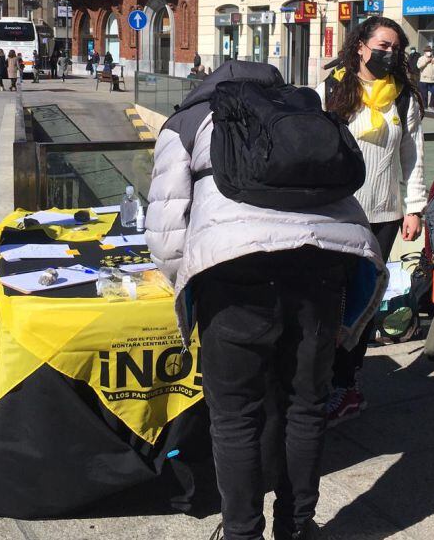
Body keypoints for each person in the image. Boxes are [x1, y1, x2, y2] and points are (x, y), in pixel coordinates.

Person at [147, 60, 388, 540]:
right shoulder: (306, 111)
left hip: (234, 275)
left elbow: (166, 233)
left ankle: (242, 533)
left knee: (235, 414)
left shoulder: (187, 121)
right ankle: (298, 527)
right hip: (323, 266)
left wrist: (190, 288)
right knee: (306, 404)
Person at [318, 16, 426, 422]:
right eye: (383, 45)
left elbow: (412, 157)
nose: (390, 53)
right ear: (360, 45)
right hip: (334, 214)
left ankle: (347, 385)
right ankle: (320, 378)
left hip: (382, 216)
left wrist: (414, 208)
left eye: (396, 47)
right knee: (330, 299)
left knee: (363, 304)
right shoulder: (331, 88)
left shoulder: (404, 98)